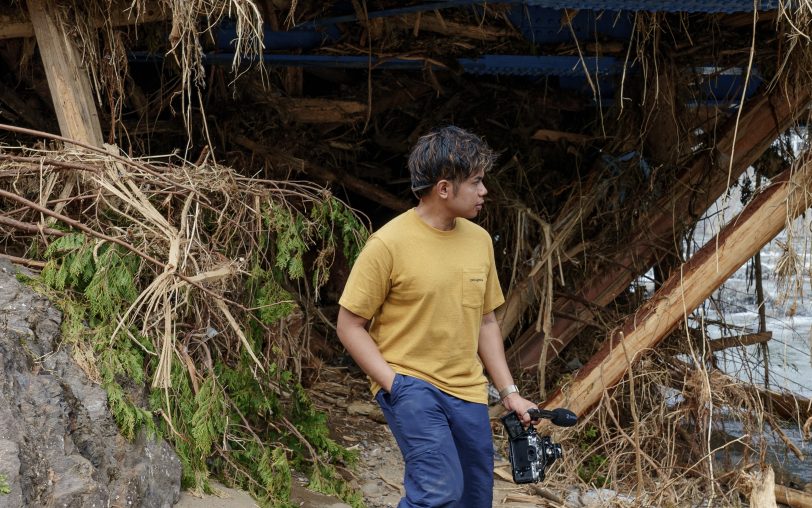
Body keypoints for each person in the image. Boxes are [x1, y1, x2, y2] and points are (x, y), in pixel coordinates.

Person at [336, 125, 537, 507]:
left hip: (468, 391)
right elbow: (349, 325)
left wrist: (510, 393)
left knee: (474, 498)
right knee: (437, 492)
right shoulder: (388, 244)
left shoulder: (479, 241)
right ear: (444, 188)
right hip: (412, 386)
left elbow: (486, 322)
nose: (484, 191)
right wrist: (394, 384)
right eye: (475, 182)